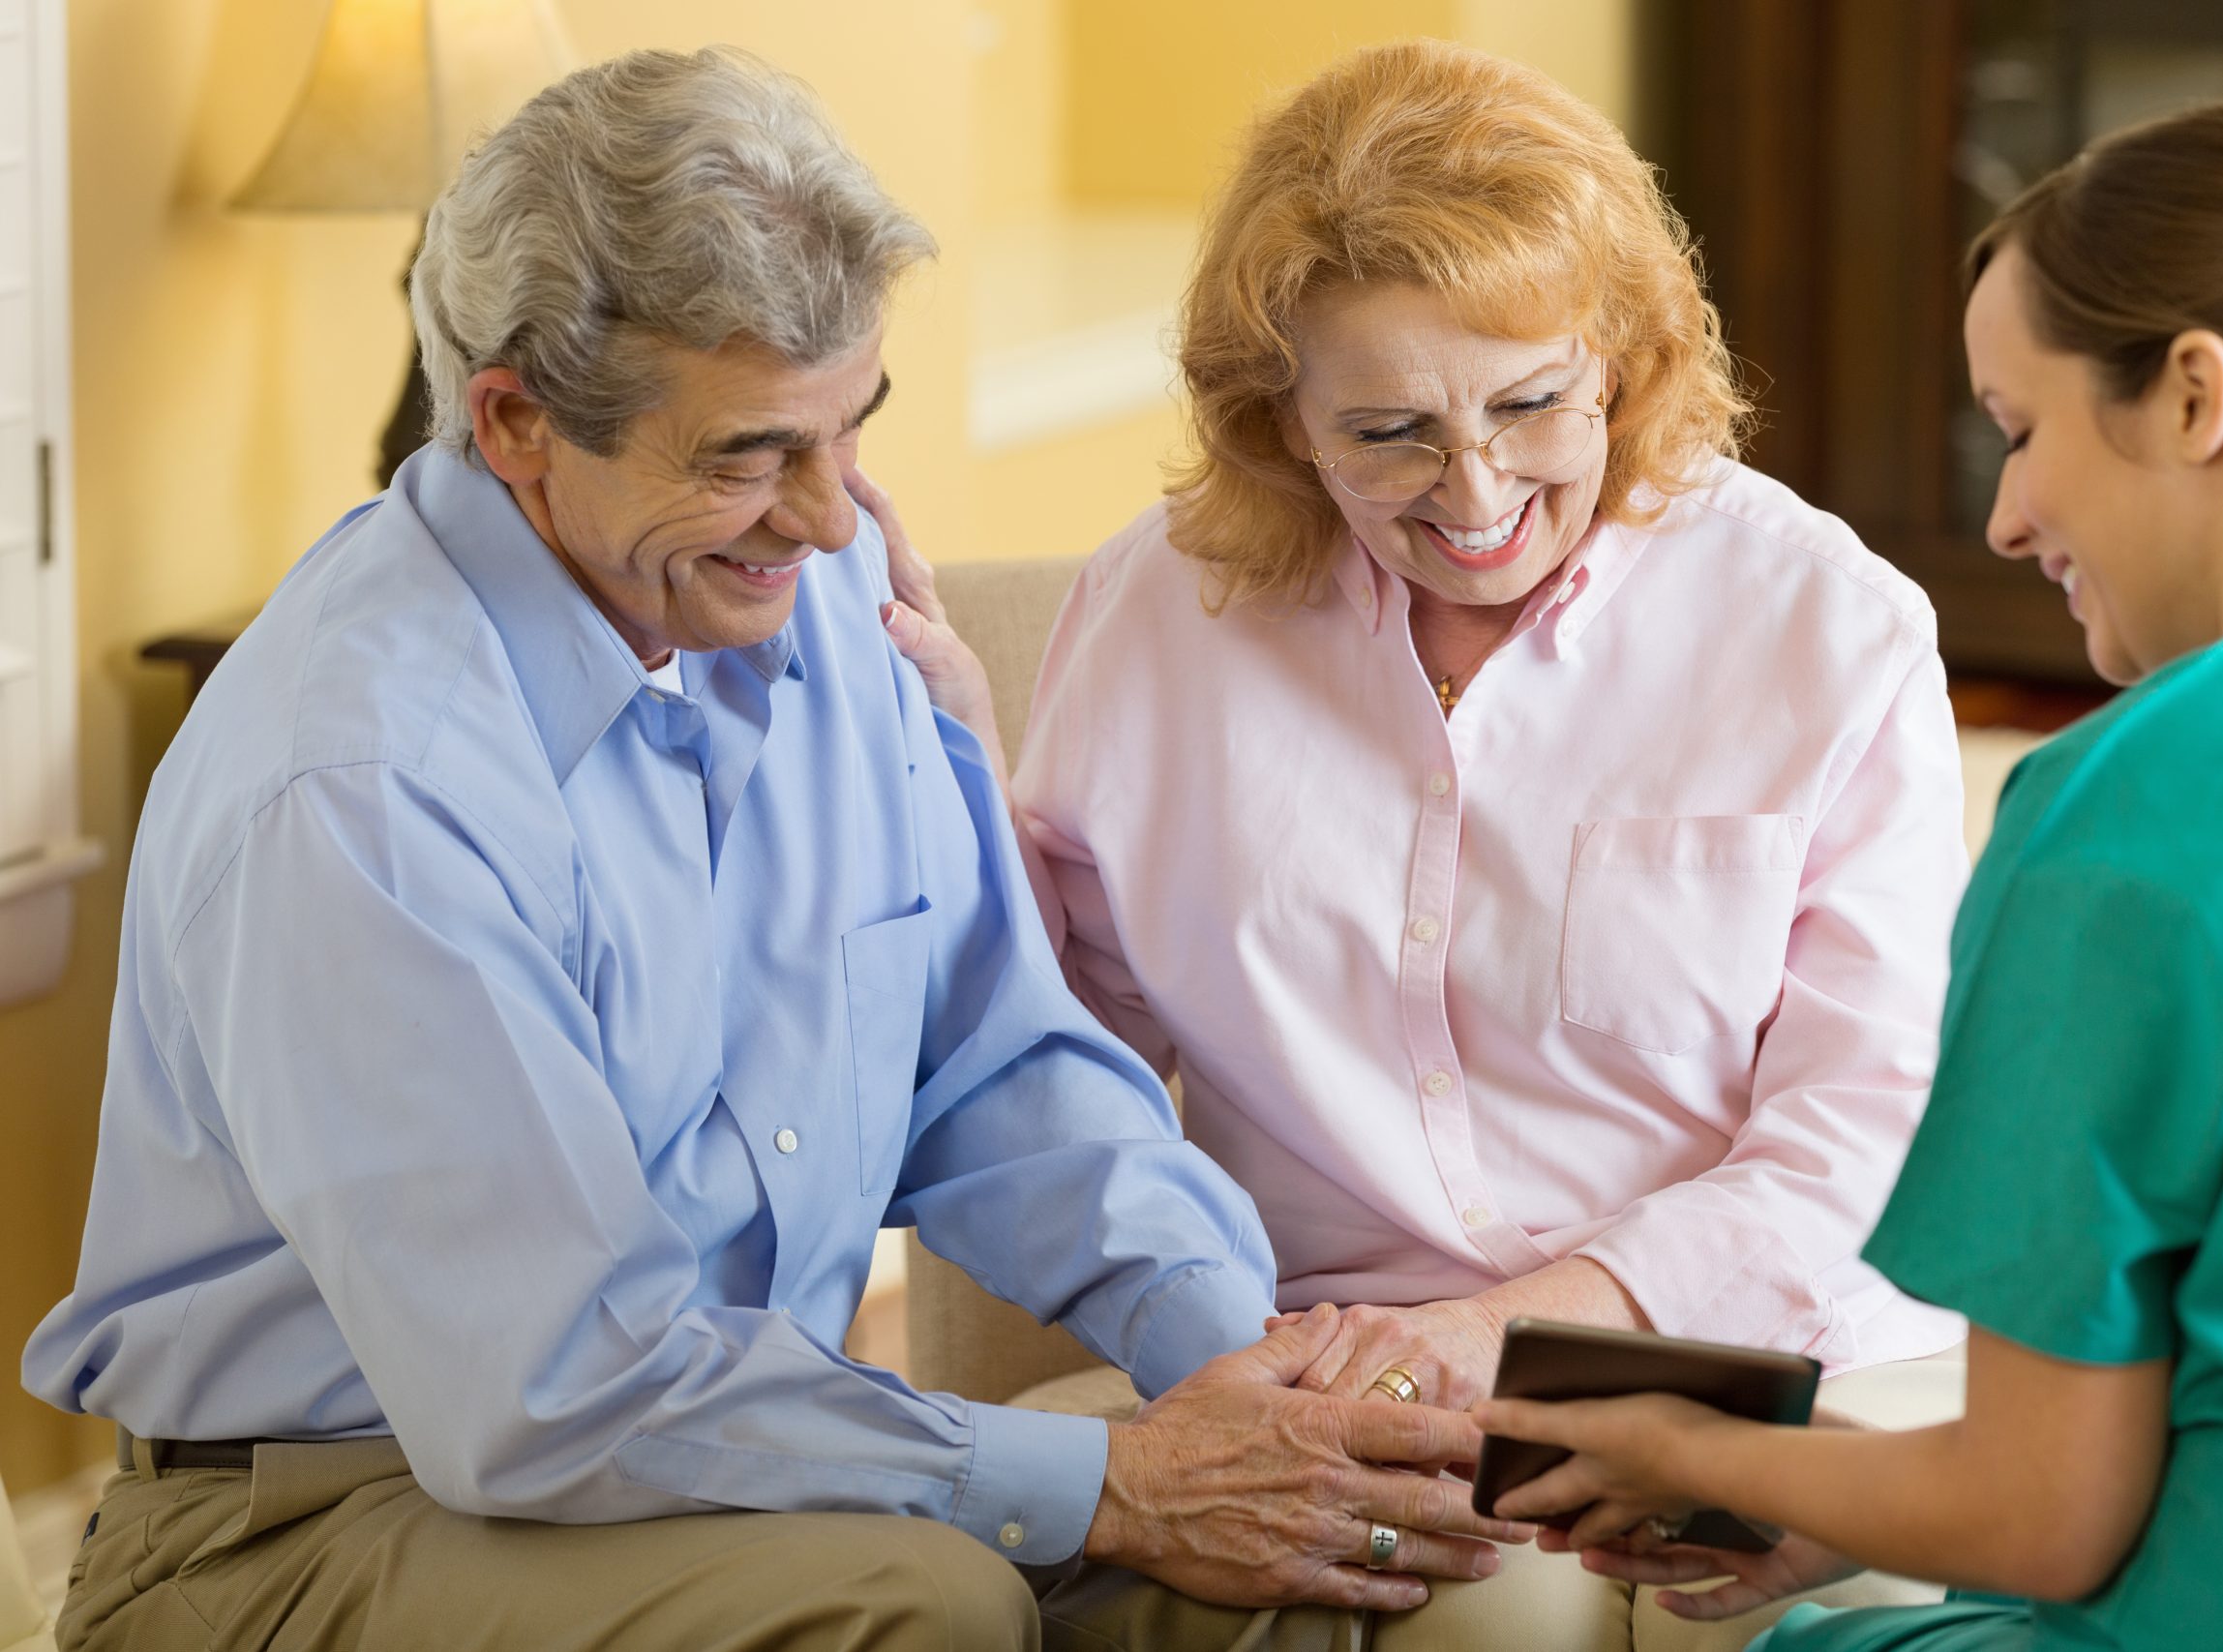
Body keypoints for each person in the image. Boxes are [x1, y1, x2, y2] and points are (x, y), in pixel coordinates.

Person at [21, 48, 1529, 1652]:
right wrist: (1117, 1483)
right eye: (749, 454)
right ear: (517, 419)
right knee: (923, 1604)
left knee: (1324, 1572)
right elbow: (559, 1390)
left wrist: (1236, 1371)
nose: (826, 522)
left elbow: (999, 1070)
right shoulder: (364, 785)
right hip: (315, 1519)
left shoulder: (808, 592)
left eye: (848, 429)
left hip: (703, 1469)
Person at [889, 38, 1969, 1651]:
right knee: (1480, 1617)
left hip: (1763, 1344)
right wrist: (954, 795)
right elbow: (1048, 1071)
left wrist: (1514, 1331)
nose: (1475, 493)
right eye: (1387, 431)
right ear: (1279, 420)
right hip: (1320, 1350)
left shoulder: (1828, 628)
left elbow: (1864, 1133)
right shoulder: (1154, 619)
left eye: (1532, 404)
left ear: (1621, 358)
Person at [1473, 100, 2223, 1652]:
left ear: (2198, 395)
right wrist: (1840, 1487)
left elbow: (2043, 1517)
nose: (2008, 518)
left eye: (2019, 429)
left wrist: (1682, 1449)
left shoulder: (2139, 796)